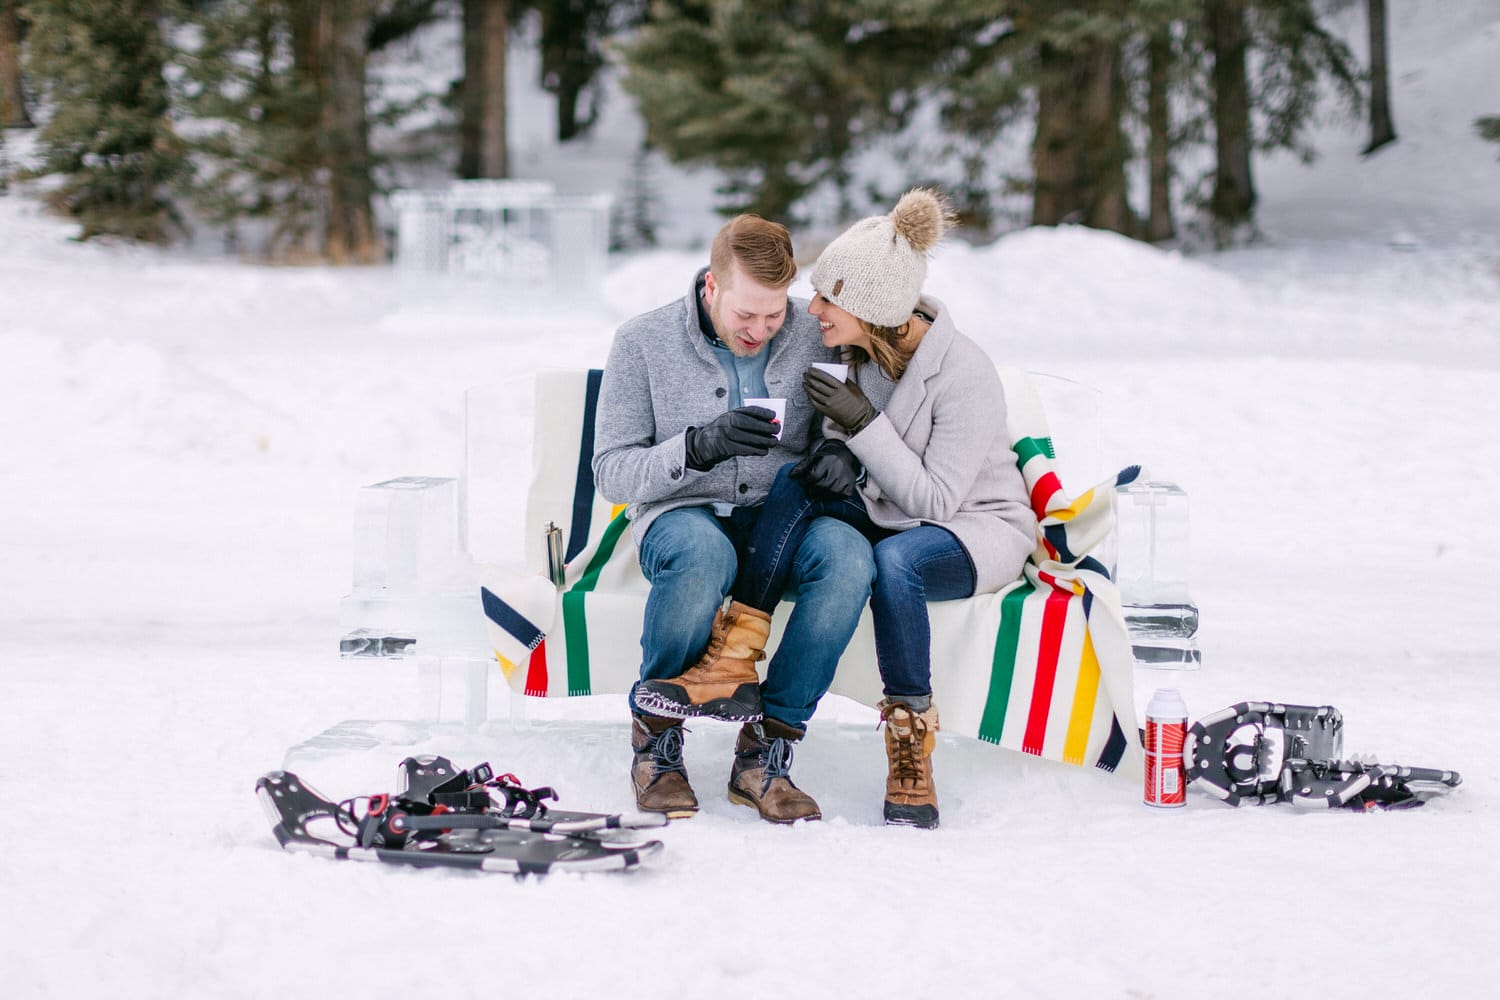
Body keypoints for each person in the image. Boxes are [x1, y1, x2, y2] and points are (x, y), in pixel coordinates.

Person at [732, 189, 1037, 829]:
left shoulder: (966, 373)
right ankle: (738, 648)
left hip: (971, 529)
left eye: (827, 297)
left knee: (896, 563)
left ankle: (909, 747)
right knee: (800, 480)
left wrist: (863, 430)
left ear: (870, 307)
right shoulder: (860, 354)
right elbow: (849, 442)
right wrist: (839, 453)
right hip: (886, 508)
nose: (810, 309)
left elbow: (934, 501)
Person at [592, 214, 876, 825]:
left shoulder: (814, 332)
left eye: (774, 315)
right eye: (746, 315)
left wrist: (837, 451)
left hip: (786, 515)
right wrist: (696, 447)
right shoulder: (642, 341)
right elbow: (611, 471)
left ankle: (766, 750)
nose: (762, 329)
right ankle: (657, 740)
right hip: (682, 512)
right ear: (711, 287)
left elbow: (838, 422)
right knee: (703, 557)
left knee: (850, 560)